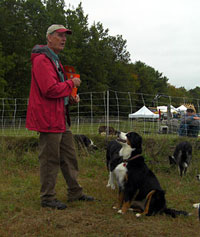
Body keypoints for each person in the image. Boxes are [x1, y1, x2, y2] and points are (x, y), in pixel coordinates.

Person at [26, 24, 94, 210]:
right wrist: (71, 83)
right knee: (50, 159)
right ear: (49, 37)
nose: (64, 39)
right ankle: (47, 197)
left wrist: (70, 98)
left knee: (69, 156)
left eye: (65, 36)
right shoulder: (42, 60)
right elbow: (49, 89)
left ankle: (75, 192)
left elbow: (57, 89)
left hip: (59, 116)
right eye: (59, 35)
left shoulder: (55, 60)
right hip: (49, 118)